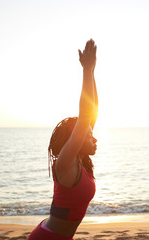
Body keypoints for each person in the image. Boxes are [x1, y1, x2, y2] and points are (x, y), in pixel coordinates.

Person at [28, 39, 98, 240]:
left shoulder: (79, 162)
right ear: (75, 139)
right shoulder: (65, 163)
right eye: (88, 134)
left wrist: (92, 72)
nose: (95, 138)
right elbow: (85, 116)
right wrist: (86, 70)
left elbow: (92, 112)